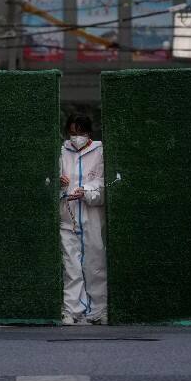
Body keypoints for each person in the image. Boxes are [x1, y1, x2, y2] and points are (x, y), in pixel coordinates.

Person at [59, 113, 107, 325]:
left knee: (95, 264)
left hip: (91, 216)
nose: (75, 137)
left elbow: (102, 183)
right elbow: (54, 182)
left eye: (79, 133)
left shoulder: (100, 151)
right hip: (67, 215)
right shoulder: (62, 151)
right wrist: (62, 186)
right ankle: (72, 311)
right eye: (71, 133)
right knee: (71, 266)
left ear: (88, 133)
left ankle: (99, 311)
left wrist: (86, 191)